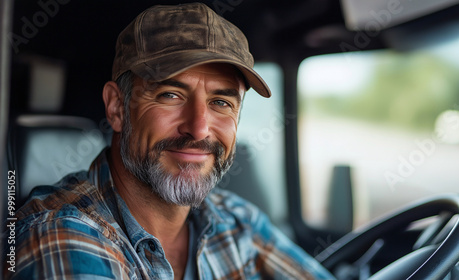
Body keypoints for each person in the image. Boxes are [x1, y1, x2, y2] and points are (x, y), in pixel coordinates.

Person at [3, 3, 335, 280]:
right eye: (171, 94)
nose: (199, 128)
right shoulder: (61, 234)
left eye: (221, 102)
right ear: (117, 108)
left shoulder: (235, 221)